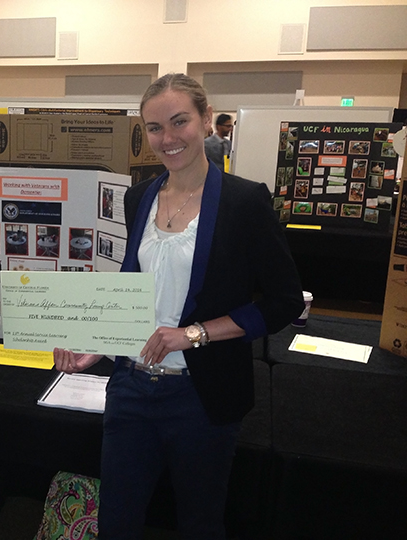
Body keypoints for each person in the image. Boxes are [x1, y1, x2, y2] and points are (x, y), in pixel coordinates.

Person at [54, 74, 303, 540]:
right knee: (117, 521)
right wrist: (101, 347)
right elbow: (140, 288)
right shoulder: (139, 196)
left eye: (179, 121)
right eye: (153, 128)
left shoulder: (244, 201)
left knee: (199, 522)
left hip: (201, 394)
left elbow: (284, 302)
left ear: (207, 121)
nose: (167, 139)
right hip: (131, 387)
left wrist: (195, 334)